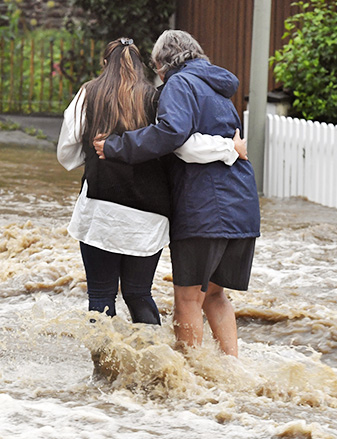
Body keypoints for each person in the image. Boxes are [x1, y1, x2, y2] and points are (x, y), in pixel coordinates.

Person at [94, 30, 261, 357]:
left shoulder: (180, 85)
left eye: (157, 68)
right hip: (241, 206)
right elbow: (220, 141)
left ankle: (189, 384)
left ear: (162, 64)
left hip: (205, 209)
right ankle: (232, 371)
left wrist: (116, 146)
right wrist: (228, 147)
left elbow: (173, 134)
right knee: (215, 295)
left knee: (187, 300)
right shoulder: (219, 90)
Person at [57, 37, 244, 327]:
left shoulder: (87, 94)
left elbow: (65, 153)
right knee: (139, 293)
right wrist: (229, 148)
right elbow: (184, 145)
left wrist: (95, 155)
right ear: (144, 66)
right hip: (150, 215)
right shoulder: (157, 98)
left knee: (100, 297)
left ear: (105, 64)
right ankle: (152, 366)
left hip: (99, 212)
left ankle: (104, 371)